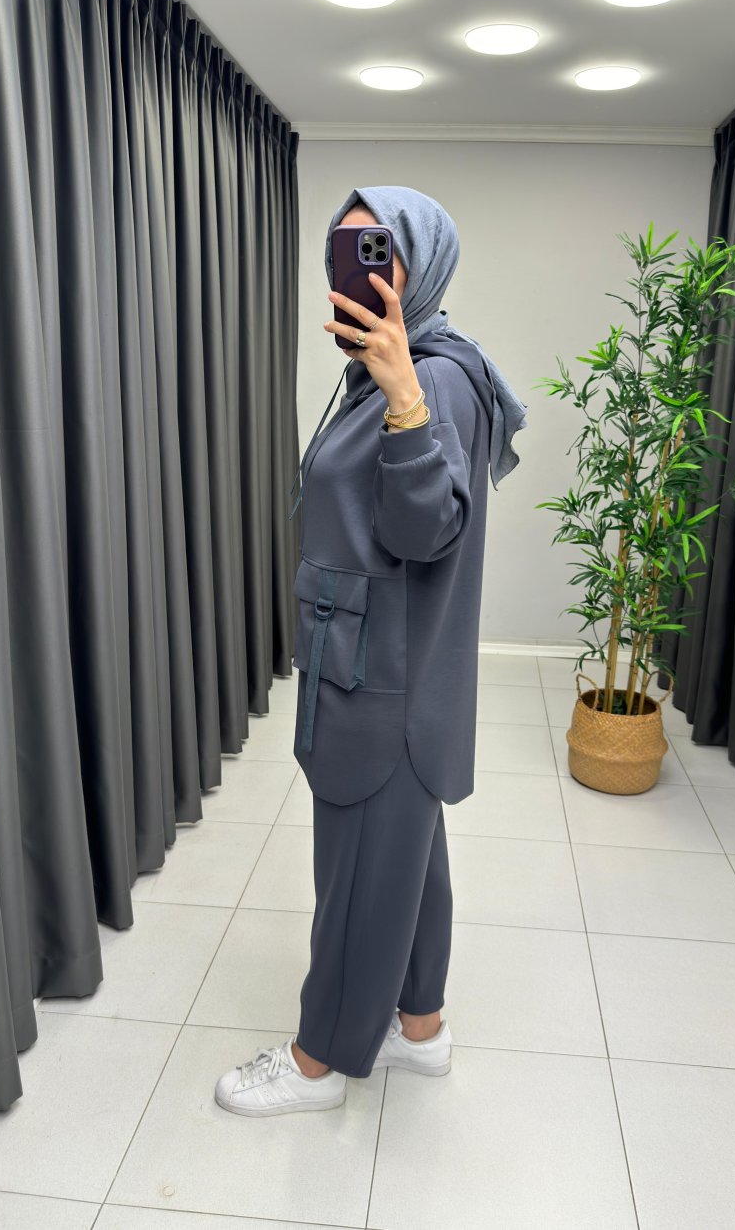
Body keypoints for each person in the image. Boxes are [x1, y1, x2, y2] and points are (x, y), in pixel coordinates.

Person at [215, 186, 527, 1117]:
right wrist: (385, 383)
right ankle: (418, 1029)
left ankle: (318, 1060)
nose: (352, 274)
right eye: (341, 254)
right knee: (408, 858)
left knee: (353, 875)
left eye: (375, 252)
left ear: (418, 268)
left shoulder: (437, 380)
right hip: (370, 656)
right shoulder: (380, 374)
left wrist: (403, 397)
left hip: (383, 674)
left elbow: (425, 531)